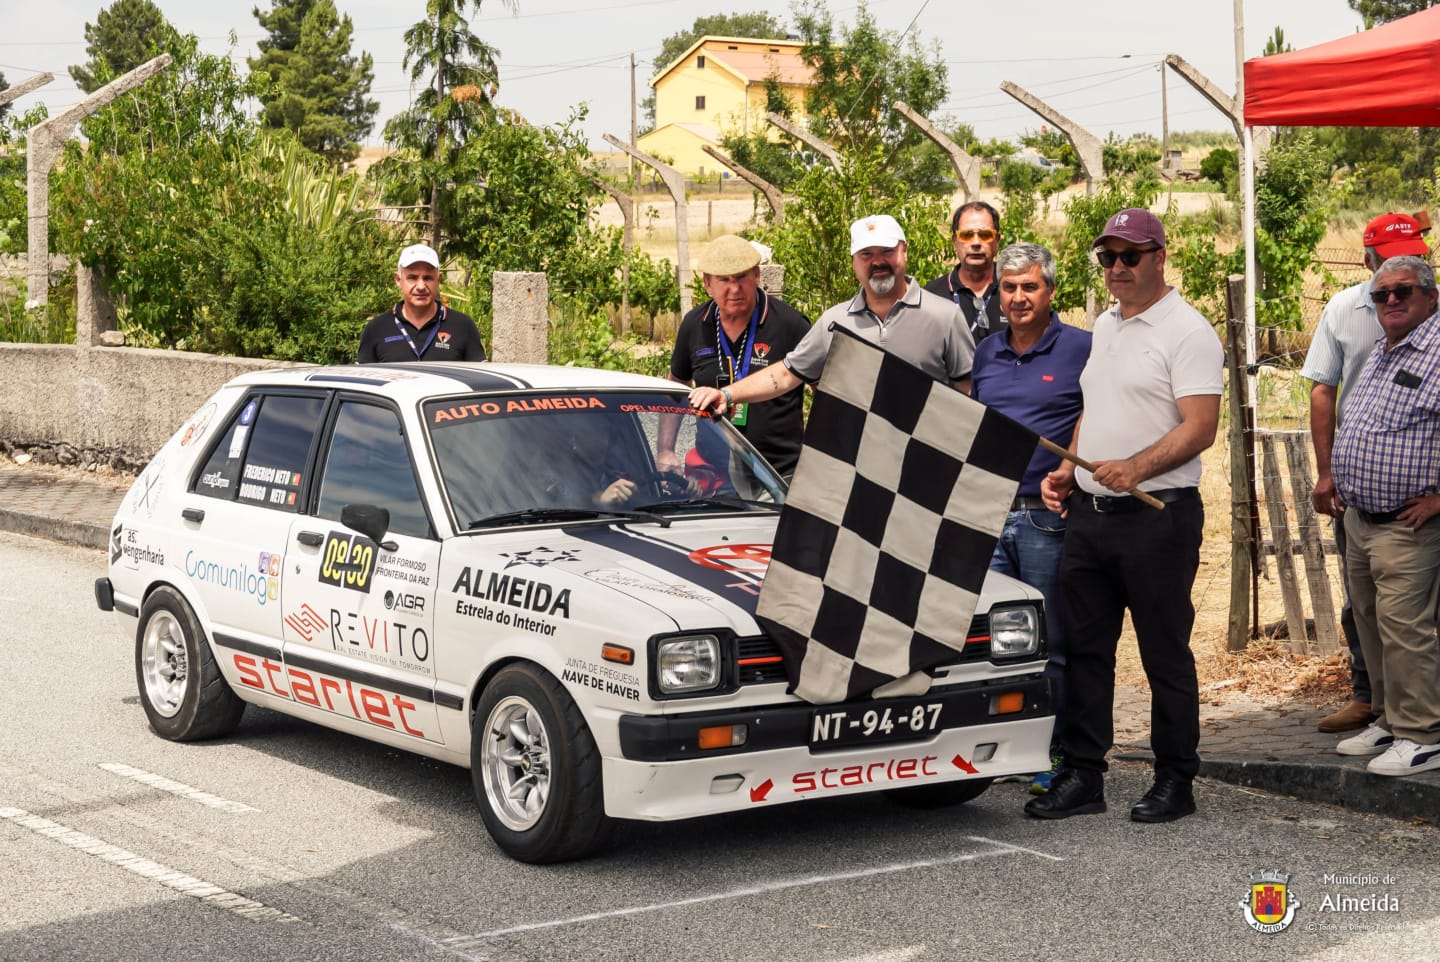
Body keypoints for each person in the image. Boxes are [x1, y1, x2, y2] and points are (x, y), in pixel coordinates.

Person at [1025, 207, 1223, 824]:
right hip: (1091, 512)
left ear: (1160, 257)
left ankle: (1175, 779)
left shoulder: (1189, 332)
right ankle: (1085, 775)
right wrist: (1070, 468)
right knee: (1084, 648)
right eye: (1107, 257)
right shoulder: (1105, 326)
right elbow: (1096, 405)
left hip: (1156, 514)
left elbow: (1201, 428)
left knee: (1164, 652)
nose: (1116, 268)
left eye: (1129, 256)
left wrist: (1135, 468)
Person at [971, 242, 1091, 794]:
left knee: (1052, 642)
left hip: (1047, 518)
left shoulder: (1082, 349)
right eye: (1009, 287)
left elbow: (1097, 412)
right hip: (989, 517)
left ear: (1051, 291)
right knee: (997, 640)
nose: (1017, 297)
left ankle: (1054, 751)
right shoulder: (986, 353)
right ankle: (1004, 747)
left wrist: (1070, 464)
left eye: (1029, 287)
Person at [1302, 212, 1429, 734]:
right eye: (1386, 283)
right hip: (1358, 493)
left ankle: (1416, 720)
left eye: (1417, 261)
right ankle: (1372, 700)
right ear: (1367, 261)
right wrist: (1327, 470)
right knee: (1365, 605)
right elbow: (1322, 390)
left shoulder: (1427, 312)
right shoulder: (1345, 311)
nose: (1396, 293)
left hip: (1417, 498)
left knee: (1408, 617)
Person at [689, 214, 974, 418]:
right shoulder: (835, 321)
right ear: (853, 262)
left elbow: (968, 394)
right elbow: (787, 374)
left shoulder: (945, 317)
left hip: (928, 471)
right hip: (860, 472)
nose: (877, 262)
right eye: (866, 254)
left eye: (886, 251)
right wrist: (727, 395)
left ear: (904, 252)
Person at [1329, 255, 1440, 777]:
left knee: (1404, 628)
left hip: (1408, 522)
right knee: (1370, 622)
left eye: (1404, 292)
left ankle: (1423, 734)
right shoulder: (1382, 348)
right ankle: (1393, 719)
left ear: (1431, 296)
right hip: (1361, 518)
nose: (1391, 301)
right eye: (1381, 295)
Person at [662, 234, 811, 478]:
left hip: (779, 473)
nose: (735, 289)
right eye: (724, 280)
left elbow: (823, 389)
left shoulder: (791, 324)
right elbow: (676, 385)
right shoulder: (694, 324)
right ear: (707, 284)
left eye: (742, 277)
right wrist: (666, 450)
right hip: (712, 472)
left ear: (756, 275)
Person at [357, 244, 486, 363]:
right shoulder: (376, 329)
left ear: (438, 280)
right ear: (398, 279)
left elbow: (481, 381)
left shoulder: (463, 326)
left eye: (427, 278)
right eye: (412, 278)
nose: (420, 286)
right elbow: (362, 382)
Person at [924, 201, 1008, 344]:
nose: (975, 243)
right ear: (954, 242)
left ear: (997, 240)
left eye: (985, 235)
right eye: (966, 235)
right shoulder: (931, 296)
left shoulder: (1015, 290)